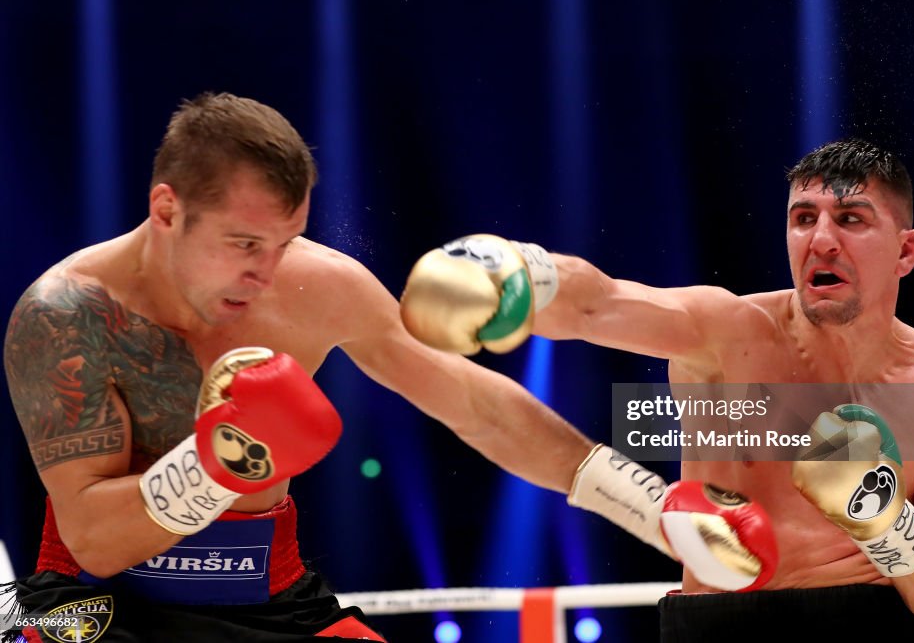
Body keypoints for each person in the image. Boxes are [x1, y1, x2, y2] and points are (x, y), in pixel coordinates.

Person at [1, 92, 691, 643]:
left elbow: (471, 403)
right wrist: (217, 464)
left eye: (285, 241)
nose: (266, 272)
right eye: (244, 242)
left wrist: (651, 509)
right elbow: (92, 540)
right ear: (166, 210)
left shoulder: (320, 286)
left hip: (268, 599)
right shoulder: (66, 315)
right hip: (94, 603)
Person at [399, 139, 914, 640]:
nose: (821, 239)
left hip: (866, 624)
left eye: (850, 219)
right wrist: (517, 272)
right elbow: (601, 303)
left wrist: (881, 519)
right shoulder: (731, 335)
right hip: (717, 624)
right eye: (803, 218)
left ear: (906, 250)